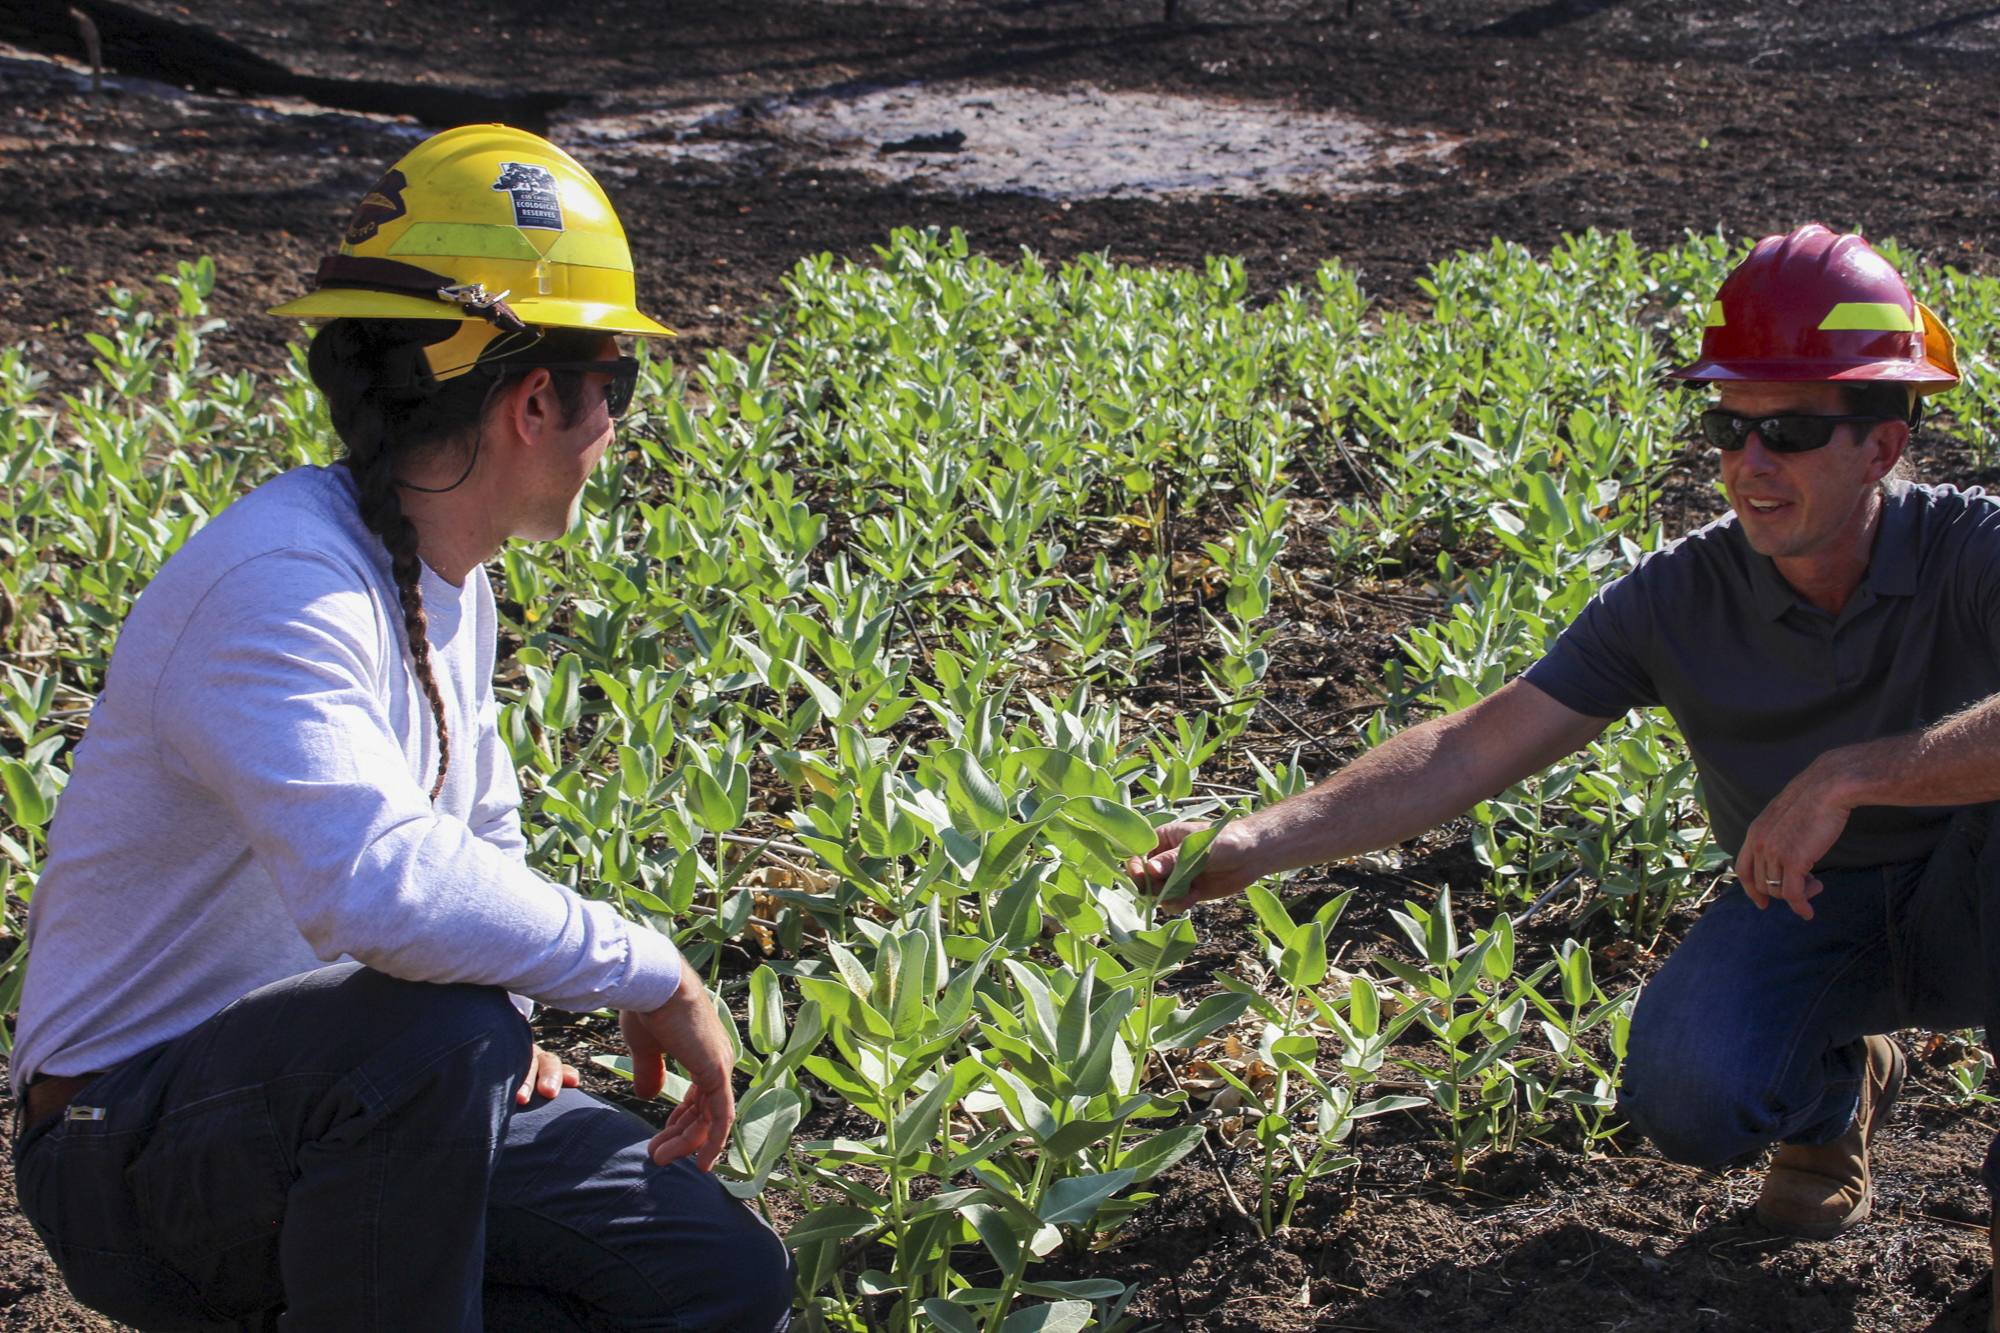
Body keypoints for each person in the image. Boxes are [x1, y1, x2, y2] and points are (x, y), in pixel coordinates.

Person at [10, 125, 792, 1333]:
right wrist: (654, 967)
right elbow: (378, 887)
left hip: (337, 1099)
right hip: (127, 1146)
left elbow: (476, 837)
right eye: (615, 390)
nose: (617, 430)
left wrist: (518, 1033)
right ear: (536, 400)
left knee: (713, 1276)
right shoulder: (277, 583)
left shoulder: (442, 573)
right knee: (432, 1034)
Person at [1134, 224, 2000, 1287]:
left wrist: (1849, 773)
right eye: (1726, 427)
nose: (1747, 464)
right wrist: (1256, 841)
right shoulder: (1679, 596)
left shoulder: (1972, 552)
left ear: (1882, 441)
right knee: (1690, 1092)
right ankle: (1829, 1095)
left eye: (1786, 429)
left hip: (1980, 896)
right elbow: (1467, 746)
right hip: (1816, 906)